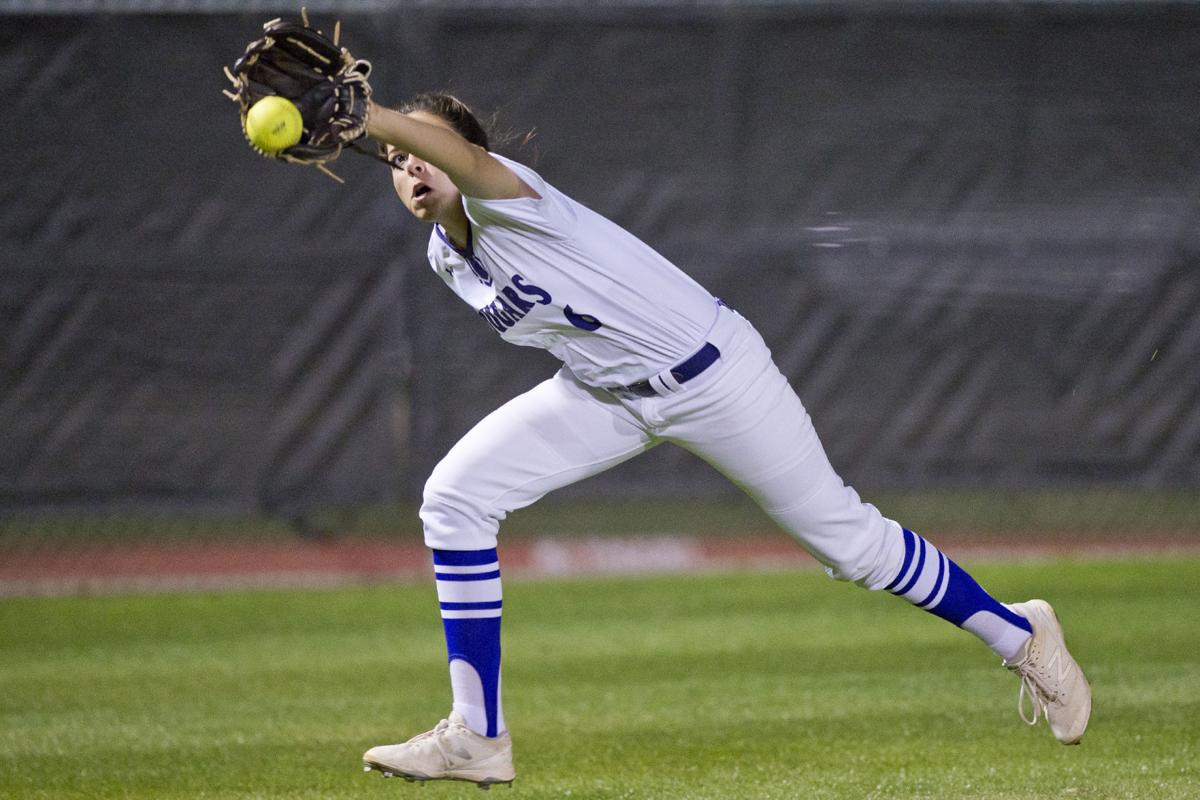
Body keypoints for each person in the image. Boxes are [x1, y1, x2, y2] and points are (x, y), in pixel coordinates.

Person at [358, 93, 1091, 787]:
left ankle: (1022, 636)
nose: (411, 165)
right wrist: (385, 129)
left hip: (713, 378)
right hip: (603, 392)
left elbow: (461, 162)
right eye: (393, 158)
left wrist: (371, 116)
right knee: (454, 498)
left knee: (851, 545)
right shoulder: (446, 257)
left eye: (424, 148)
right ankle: (477, 736)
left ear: (467, 152)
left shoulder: (512, 195)